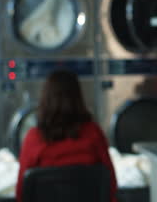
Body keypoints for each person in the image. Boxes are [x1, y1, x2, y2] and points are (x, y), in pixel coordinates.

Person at [16, 69, 117, 202]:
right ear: (78, 98)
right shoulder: (93, 133)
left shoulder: (34, 138)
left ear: (46, 99)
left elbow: (22, 192)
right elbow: (110, 185)